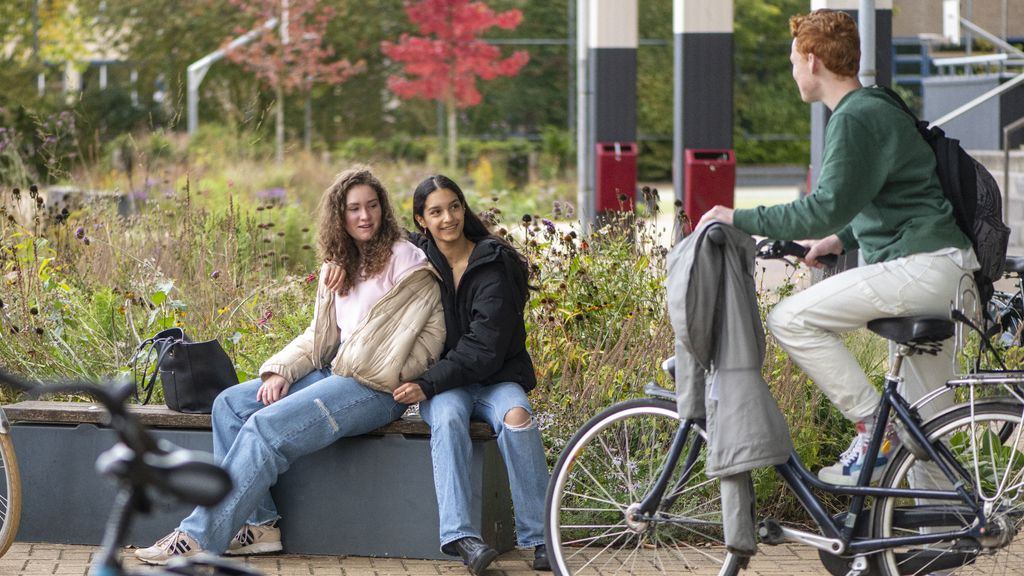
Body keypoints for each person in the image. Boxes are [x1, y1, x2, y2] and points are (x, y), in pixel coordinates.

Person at [696, 10, 977, 486]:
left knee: (791, 318)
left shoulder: (853, 118)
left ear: (812, 61)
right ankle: (945, 533)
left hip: (921, 268)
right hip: (950, 272)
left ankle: (873, 424)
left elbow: (823, 206)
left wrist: (736, 216)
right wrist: (839, 240)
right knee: (927, 429)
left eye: (792, 61)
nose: (791, 72)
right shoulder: (880, 104)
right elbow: (891, 195)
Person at [136, 166, 446, 564]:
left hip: (376, 389)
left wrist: (388, 371)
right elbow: (319, 337)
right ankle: (261, 526)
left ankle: (198, 536)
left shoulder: (407, 261)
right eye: (354, 209)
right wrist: (280, 369)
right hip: (332, 374)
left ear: (384, 210)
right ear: (340, 215)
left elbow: (430, 340)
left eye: (372, 206)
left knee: (266, 428)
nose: (365, 216)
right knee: (230, 405)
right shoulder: (339, 266)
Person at [394, 175, 551, 575]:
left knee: (518, 417)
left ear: (464, 208)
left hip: (494, 378)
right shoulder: (415, 258)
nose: (448, 218)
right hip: (448, 387)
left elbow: (484, 349)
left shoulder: (493, 262)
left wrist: (426, 384)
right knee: (447, 416)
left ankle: (540, 537)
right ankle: (463, 538)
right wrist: (334, 270)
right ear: (421, 220)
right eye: (436, 212)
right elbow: (367, 257)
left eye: (454, 207)